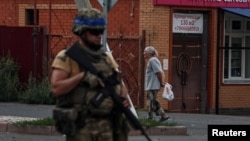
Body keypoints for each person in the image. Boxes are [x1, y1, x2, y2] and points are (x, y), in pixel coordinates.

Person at [50, 8, 130, 141]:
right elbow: (56, 89)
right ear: (82, 32)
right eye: (94, 32)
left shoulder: (105, 58)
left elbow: (119, 83)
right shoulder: (67, 57)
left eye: (101, 32)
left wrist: (123, 98)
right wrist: (82, 77)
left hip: (106, 126)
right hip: (82, 126)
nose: (99, 36)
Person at [143, 46, 169, 121]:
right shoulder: (153, 60)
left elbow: (159, 72)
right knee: (152, 101)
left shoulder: (152, 60)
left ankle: (154, 117)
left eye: (145, 51)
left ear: (150, 53)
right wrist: (162, 82)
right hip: (151, 85)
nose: (143, 53)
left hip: (152, 86)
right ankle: (161, 115)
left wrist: (162, 83)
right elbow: (161, 72)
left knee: (151, 102)